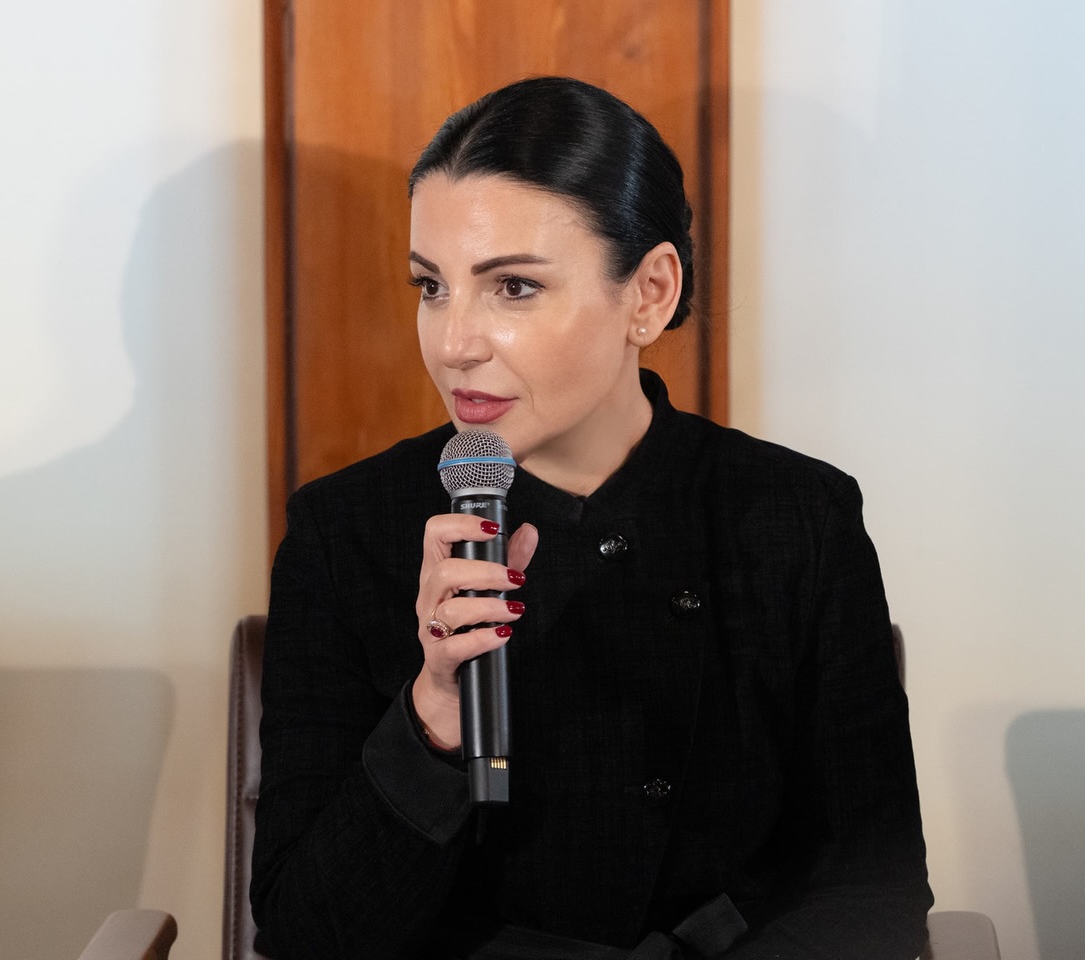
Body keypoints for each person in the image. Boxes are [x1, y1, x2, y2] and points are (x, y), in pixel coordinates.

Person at [250, 76, 931, 960]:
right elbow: (302, 934)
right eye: (432, 286)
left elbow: (871, 893)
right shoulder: (345, 533)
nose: (453, 343)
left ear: (649, 293)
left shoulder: (797, 519)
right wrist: (433, 716)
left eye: (514, 288)